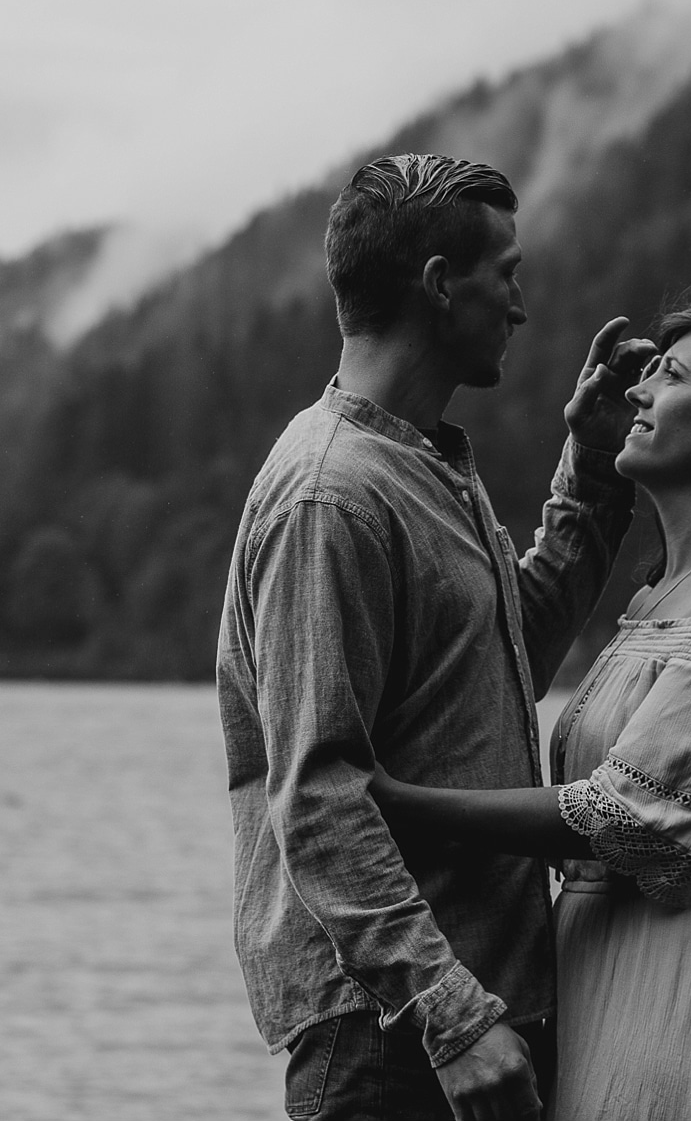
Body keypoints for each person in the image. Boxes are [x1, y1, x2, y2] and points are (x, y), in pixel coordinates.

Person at [216, 153, 656, 1120]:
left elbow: (508, 664)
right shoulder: (331, 494)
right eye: (506, 272)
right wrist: (449, 1013)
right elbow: (319, 794)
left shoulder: (422, 465)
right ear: (437, 283)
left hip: (463, 1023)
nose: (521, 305)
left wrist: (590, 468)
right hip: (392, 1042)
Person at [371, 298, 691, 1119]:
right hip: (598, 962)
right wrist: (591, 455)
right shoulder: (657, 598)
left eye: (669, 377)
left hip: (683, 970)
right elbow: (514, 652)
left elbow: (620, 817)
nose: (640, 393)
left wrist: (400, 804)